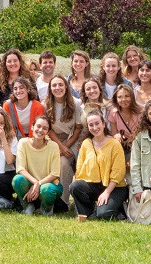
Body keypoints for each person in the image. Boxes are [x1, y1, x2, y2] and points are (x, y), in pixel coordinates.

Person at [71, 111, 127, 221]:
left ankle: (117, 210)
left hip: (114, 187)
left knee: (104, 214)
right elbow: (80, 168)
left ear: (104, 124)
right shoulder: (86, 143)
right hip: (93, 185)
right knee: (75, 186)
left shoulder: (114, 144)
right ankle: (86, 213)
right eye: (91, 125)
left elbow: (118, 172)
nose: (94, 127)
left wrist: (107, 192)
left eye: (97, 123)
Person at [45, 74, 84, 203]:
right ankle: (47, 197)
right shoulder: (45, 104)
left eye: (61, 85)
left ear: (66, 87)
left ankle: (63, 201)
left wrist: (66, 146)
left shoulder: (76, 103)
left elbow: (78, 128)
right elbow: (48, 129)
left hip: (72, 138)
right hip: (52, 139)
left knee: (64, 163)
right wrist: (60, 146)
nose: (58, 88)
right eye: (54, 85)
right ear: (50, 88)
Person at [13, 115, 63, 215]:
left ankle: (46, 209)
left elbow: (55, 174)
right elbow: (20, 168)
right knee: (17, 180)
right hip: (30, 183)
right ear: (32, 127)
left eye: (45, 128)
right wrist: (35, 182)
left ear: (48, 132)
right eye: (38, 126)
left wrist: (38, 184)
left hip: (49, 185)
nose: (40, 130)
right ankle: (27, 206)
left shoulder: (53, 146)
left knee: (47, 189)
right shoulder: (23, 143)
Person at [3, 77, 45, 141]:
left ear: (28, 89)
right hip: (15, 139)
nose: (18, 91)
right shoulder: (7, 105)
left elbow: (40, 127)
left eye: (21, 88)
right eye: (15, 89)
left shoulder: (38, 106)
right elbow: (8, 127)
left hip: (34, 139)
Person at [106, 83, 142, 156]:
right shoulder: (113, 113)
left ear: (132, 97)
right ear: (116, 99)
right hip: (123, 148)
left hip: (139, 147)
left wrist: (134, 137)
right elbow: (114, 134)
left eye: (127, 96)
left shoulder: (140, 112)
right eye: (120, 97)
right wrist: (118, 136)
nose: (123, 100)